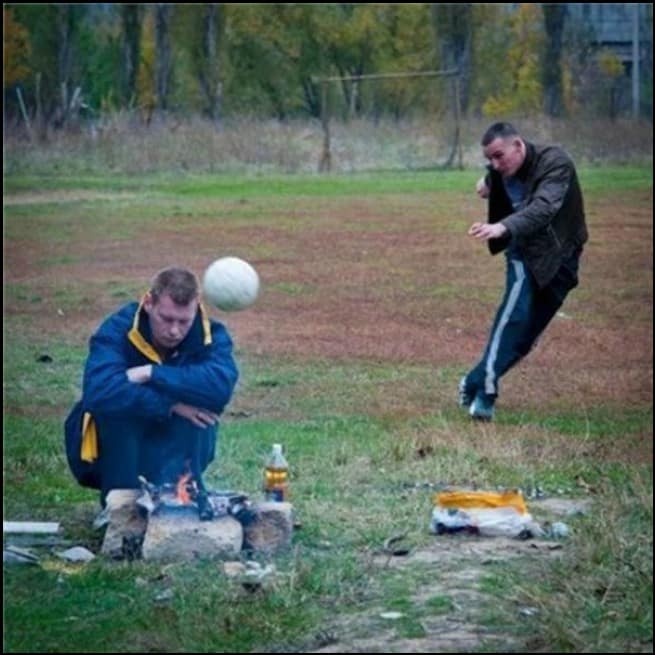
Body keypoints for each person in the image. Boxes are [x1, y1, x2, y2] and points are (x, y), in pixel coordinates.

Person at [64, 267, 239, 506]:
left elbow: (220, 388)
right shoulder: (118, 329)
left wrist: (151, 373)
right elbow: (98, 391)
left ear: (196, 307)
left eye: (183, 321)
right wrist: (170, 404)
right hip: (108, 452)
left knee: (201, 407)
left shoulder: (212, 334)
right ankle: (121, 509)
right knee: (116, 408)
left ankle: (182, 499)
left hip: (174, 445)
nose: (174, 331)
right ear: (148, 303)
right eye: (166, 319)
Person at [460, 122, 588, 420]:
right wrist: (488, 181)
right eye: (489, 159)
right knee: (513, 316)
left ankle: (473, 380)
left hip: (562, 257)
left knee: (525, 338)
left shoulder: (556, 163)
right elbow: (496, 177)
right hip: (522, 251)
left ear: (518, 145)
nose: (495, 163)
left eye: (498, 156)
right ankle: (486, 395)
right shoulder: (501, 168)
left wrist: (502, 225)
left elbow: (544, 207)